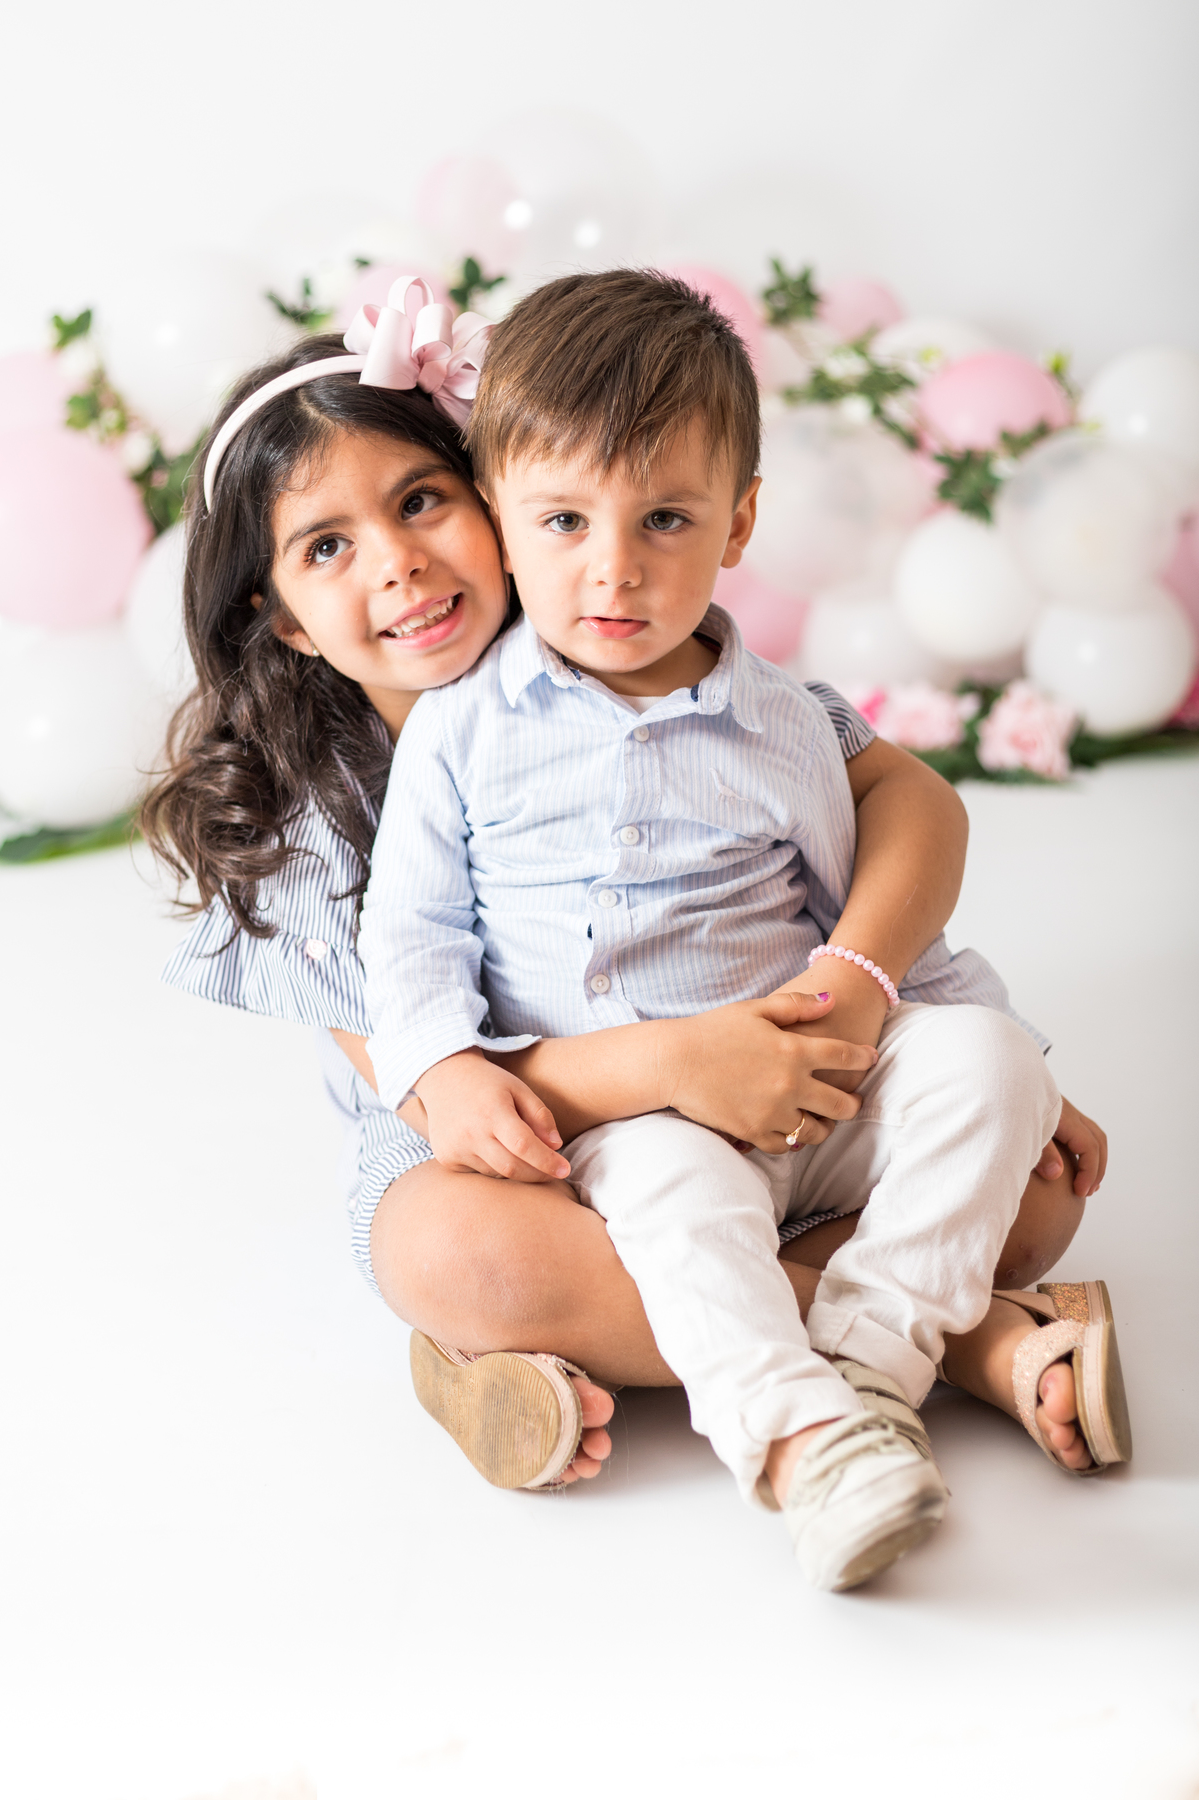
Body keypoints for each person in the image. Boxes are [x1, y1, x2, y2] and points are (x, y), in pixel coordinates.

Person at [356, 270, 1130, 1591]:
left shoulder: (783, 724)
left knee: (991, 1070)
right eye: (563, 520)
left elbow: (869, 924)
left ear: (740, 523)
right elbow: (407, 938)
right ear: (500, 517)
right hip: (641, 1121)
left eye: (665, 519)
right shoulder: (461, 732)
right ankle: (800, 1440)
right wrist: (446, 1068)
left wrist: (1006, 1058)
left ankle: (872, 1365)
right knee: (684, 1201)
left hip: (813, 1082)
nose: (614, 567)